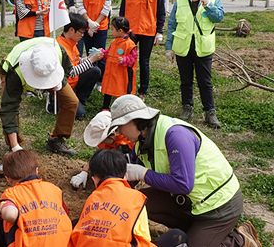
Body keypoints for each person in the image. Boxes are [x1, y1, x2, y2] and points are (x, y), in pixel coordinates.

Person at [110, 94, 262, 247]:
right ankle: (198, 231)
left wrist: (144, 174)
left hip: (218, 208)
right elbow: (129, 178)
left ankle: (239, 239)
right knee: (135, 202)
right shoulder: (141, 141)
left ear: (134, 120)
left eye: (120, 125)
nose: (120, 133)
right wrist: (110, 197)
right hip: (188, 201)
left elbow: (183, 184)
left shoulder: (175, 135)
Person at [165, 0, 224, 129]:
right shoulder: (180, 2)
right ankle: (187, 108)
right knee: (186, 81)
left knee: (205, 81)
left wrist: (209, 6)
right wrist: (168, 47)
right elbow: (172, 25)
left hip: (203, 48)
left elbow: (218, 17)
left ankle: (210, 112)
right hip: (183, 48)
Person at [0, 37, 79, 156]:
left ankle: (56, 139)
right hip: (12, 69)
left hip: (50, 71)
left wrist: (58, 82)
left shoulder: (59, 51)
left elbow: (68, 69)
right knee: (10, 108)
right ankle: (15, 147)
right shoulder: (15, 71)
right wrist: (15, 146)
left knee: (71, 101)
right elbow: (9, 108)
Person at [68, 149, 153, 247]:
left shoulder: (93, 197)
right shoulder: (136, 199)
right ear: (126, 176)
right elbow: (144, 237)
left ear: (94, 180)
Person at [0, 150, 72, 247]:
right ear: (37, 171)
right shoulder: (54, 189)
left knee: (2, 212)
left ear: (8, 179)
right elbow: (66, 215)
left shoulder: (11, 194)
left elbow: (10, 215)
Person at [119, 0, 165, 101]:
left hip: (148, 31)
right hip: (130, 31)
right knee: (127, 60)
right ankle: (126, 89)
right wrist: (121, 27)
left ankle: (142, 91)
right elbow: (123, 8)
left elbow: (160, 11)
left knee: (144, 62)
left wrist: (159, 31)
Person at [52, 13, 103, 120]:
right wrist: (91, 60)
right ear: (71, 30)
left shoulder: (72, 42)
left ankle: (80, 99)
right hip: (64, 86)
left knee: (95, 71)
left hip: (74, 83)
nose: (82, 35)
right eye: (81, 32)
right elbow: (71, 72)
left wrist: (90, 58)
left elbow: (77, 61)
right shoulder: (60, 47)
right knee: (81, 115)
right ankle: (54, 102)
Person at [70, 110, 134, 189]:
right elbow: (98, 154)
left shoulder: (128, 139)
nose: (101, 143)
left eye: (102, 141)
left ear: (112, 135)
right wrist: (85, 171)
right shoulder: (110, 138)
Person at [75, 0, 112, 79]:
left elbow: (107, 6)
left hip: (101, 26)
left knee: (100, 53)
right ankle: (93, 78)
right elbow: (79, 5)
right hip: (86, 26)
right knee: (90, 53)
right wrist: (89, 22)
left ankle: (102, 80)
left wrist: (96, 23)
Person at [99, 16, 137, 111]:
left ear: (120, 31)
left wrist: (125, 60)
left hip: (122, 75)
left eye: (112, 29)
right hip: (111, 72)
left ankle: (122, 108)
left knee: (121, 90)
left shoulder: (130, 44)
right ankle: (105, 107)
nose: (111, 31)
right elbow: (109, 52)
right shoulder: (114, 41)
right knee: (108, 89)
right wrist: (102, 53)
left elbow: (133, 58)